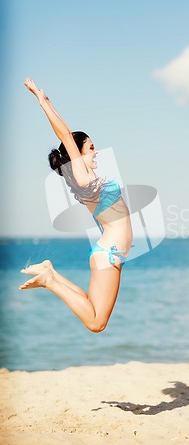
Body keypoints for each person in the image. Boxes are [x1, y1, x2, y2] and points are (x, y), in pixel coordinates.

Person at [19, 78, 133, 332]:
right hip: (110, 253)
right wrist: (43, 102)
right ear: (77, 154)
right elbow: (65, 134)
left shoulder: (87, 180)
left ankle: (51, 274)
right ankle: (51, 280)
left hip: (110, 252)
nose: (96, 152)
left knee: (93, 309)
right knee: (96, 322)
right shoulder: (82, 177)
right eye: (91, 148)